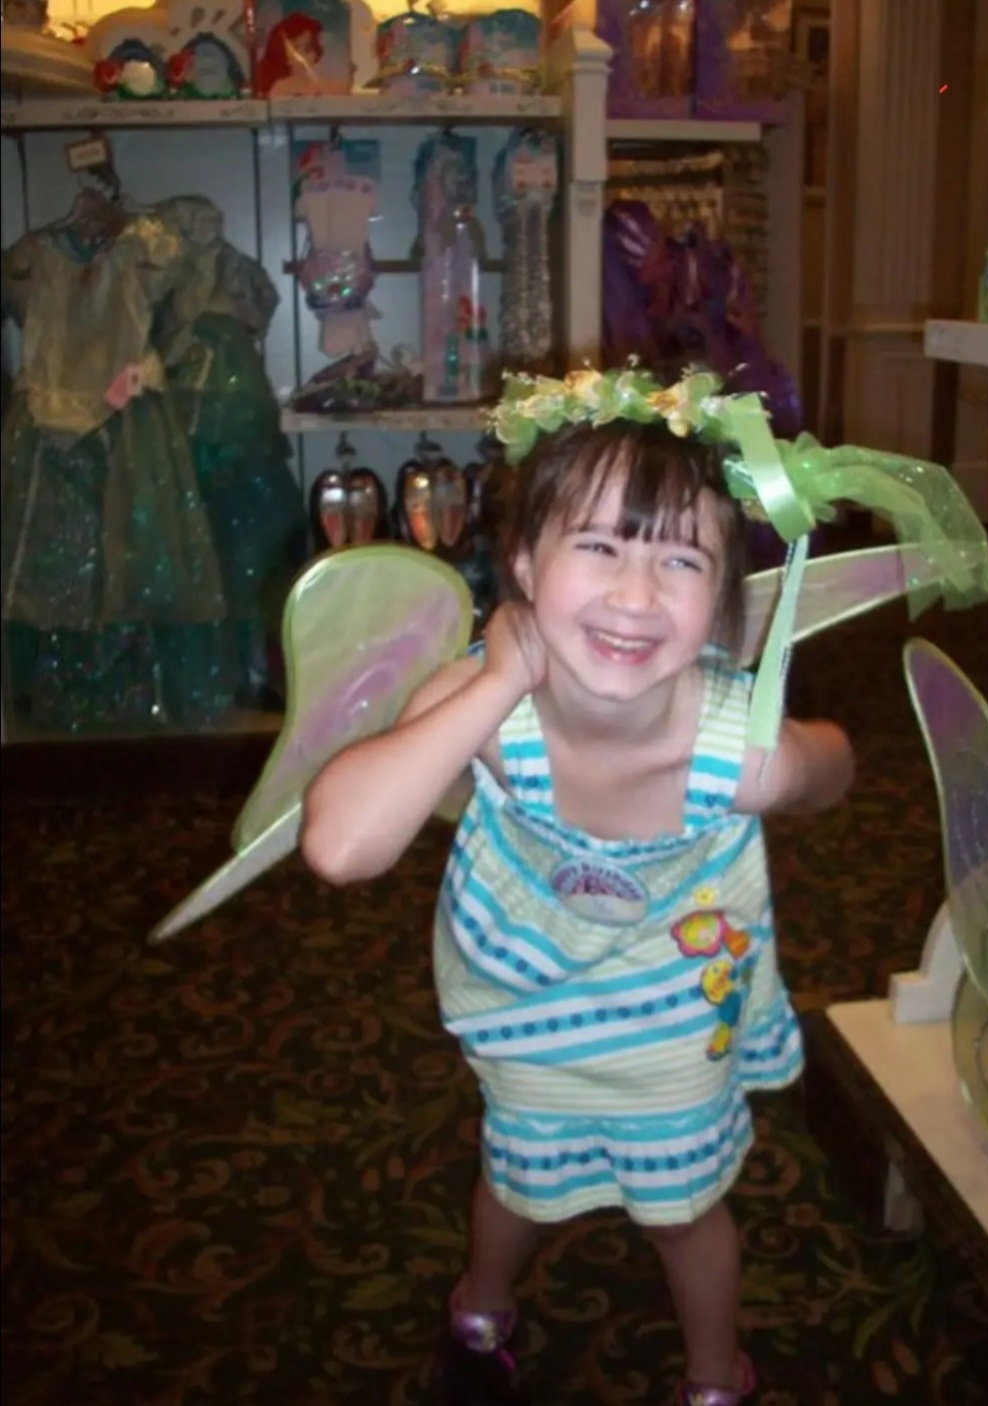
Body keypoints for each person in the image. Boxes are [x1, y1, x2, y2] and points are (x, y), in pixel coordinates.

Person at [300, 366, 860, 1406]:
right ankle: (482, 1300)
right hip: (526, 1004)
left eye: (680, 558)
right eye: (597, 544)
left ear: (723, 601)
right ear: (520, 561)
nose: (635, 593)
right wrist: (499, 682)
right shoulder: (484, 693)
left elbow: (836, 768)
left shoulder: (731, 733)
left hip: (672, 1018)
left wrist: (791, 766)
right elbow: (340, 846)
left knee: (685, 1207)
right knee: (517, 1176)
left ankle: (708, 1375)